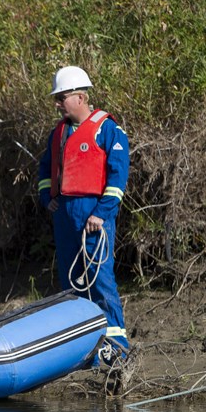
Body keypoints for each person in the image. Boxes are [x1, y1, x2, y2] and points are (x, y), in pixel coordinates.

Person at [37, 66, 130, 353]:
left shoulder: (108, 129)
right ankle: (83, 348)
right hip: (65, 214)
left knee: (100, 280)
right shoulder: (59, 133)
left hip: (94, 214)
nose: (57, 103)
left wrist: (101, 213)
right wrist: (46, 196)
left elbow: (117, 179)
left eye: (61, 97)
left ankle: (117, 347)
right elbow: (45, 168)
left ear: (79, 97)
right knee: (70, 284)